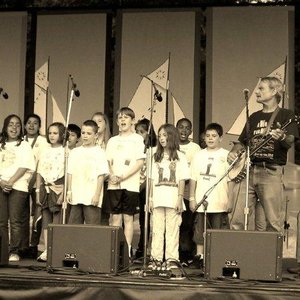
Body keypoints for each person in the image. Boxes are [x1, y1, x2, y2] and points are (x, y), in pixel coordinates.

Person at [228, 76, 299, 232]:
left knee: (273, 221)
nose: (257, 92)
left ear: (274, 91)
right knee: (237, 217)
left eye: (261, 88)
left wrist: (282, 136)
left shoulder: (287, 115)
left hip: (271, 171)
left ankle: (272, 257)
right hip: (248, 171)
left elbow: (289, 142)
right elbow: (241, 143)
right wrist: (233, 153)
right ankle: (236, 256)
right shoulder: (253, 117)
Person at [105, 107, 145, 259]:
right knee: (115, 218)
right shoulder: (112, 140)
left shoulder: (137, 139)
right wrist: (112, 175)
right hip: (113, 183)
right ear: (116, 121)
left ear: (132, 121)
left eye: (126, 117)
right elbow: (108, 161)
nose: (122, 120)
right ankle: (115, 250)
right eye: (120, 118)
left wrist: (123, 176)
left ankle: (127, 251)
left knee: (128, 218)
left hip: (130, 185)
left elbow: (139, 163)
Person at [149, 123, 189, 270]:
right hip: (158, 197)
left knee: (173, 229)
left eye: (164, 135)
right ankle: (156, 258)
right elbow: (151, 179)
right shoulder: (155, 156)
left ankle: (172, 259)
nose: (161, 138)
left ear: (172, 136)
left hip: (173, 197)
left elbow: (182, 179)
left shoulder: (180, 157)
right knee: (157, 229)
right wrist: (150, 198)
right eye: (159, 136)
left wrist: (180, 198)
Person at [189, 123, 230, 268]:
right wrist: (192, 198)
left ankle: (217, 257)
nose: (210, 139)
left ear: (221, 138)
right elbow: (193, 177)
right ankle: (200, 256)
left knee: (218, 230)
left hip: (220, 199)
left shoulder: (226, 155)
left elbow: (231, 178)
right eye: (207, 136)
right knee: (200, 230)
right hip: (202, 199)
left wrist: (230, 199)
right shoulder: (199, 155)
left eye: (214, 136)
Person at [0, 114, 35, 262]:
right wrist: (1, 182)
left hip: (18, 186)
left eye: (17, 125)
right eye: (11, 124)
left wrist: (10, 181)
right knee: (1, 221)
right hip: (1, 185)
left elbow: (25, 166)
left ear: (21, 128)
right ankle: (2, 251)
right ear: (5, 127)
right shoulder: (0, 144)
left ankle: (14, 250)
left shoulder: (24, 145)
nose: (14, 128)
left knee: (15, 221)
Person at [67, 120, 109, 224]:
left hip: (91, 196)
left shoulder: (100, 152)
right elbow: (70, 172)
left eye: (89, 133)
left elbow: (101, 175)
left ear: (95, 135)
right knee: (74, 228)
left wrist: (97, 195)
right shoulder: (74, 152)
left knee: (92, 229)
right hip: (76, 195)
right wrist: (69, 191)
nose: (85, 136)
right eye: (83, 133)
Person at [36, 122, 66, 262]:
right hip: (45, 188)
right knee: (46, 221)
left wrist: (64, 192)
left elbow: (67, 174)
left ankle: (56, 250)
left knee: (57, 220)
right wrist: (37, 191)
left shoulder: (65, 152)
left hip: (58, 188)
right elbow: (39, 172)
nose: (52, 136)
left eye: (55, 133)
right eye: (50, 133)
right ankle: (47, 249)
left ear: (61, 135)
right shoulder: (44, 151)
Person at [20, 114, 49, 259]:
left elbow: (43, 163)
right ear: (24, 125)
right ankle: (22, 246)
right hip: (20, 182)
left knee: (38, 215)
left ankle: (34, 246)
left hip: (37, 182)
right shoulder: (20, 140)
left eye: (35, 123)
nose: (31, 126)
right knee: (21, 215)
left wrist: (37, 183)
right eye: (29, 123)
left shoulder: (44, 141)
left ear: (39, 126)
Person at [175, 118, 201, 264]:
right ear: (176, 129)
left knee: (187, 224)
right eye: (181, 127)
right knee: (173, 224)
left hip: (187, 190)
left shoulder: (195, 148)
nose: (184, 130)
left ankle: (186, 255)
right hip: (173, 190)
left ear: (191, 131)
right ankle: (173, 254)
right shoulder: (171, 146)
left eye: (187, 128)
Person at [135, 118, 157, 259]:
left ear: (149, 133)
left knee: (145, 220)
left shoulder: (154, 150)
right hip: (132, 187)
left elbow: (152, 172)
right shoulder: (133, 147)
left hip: (146, 189)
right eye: (136, 132)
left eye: (142, 132)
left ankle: (144, 248)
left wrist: (141, 187)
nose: (138, 135)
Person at [92, 112, 111, 225]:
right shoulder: (87, 142)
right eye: (94, 121)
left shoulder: (111, 142)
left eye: (100, 121)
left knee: (104, 214)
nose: (97, 124)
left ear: (105, 124)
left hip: (106, 182)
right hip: (91, 182)